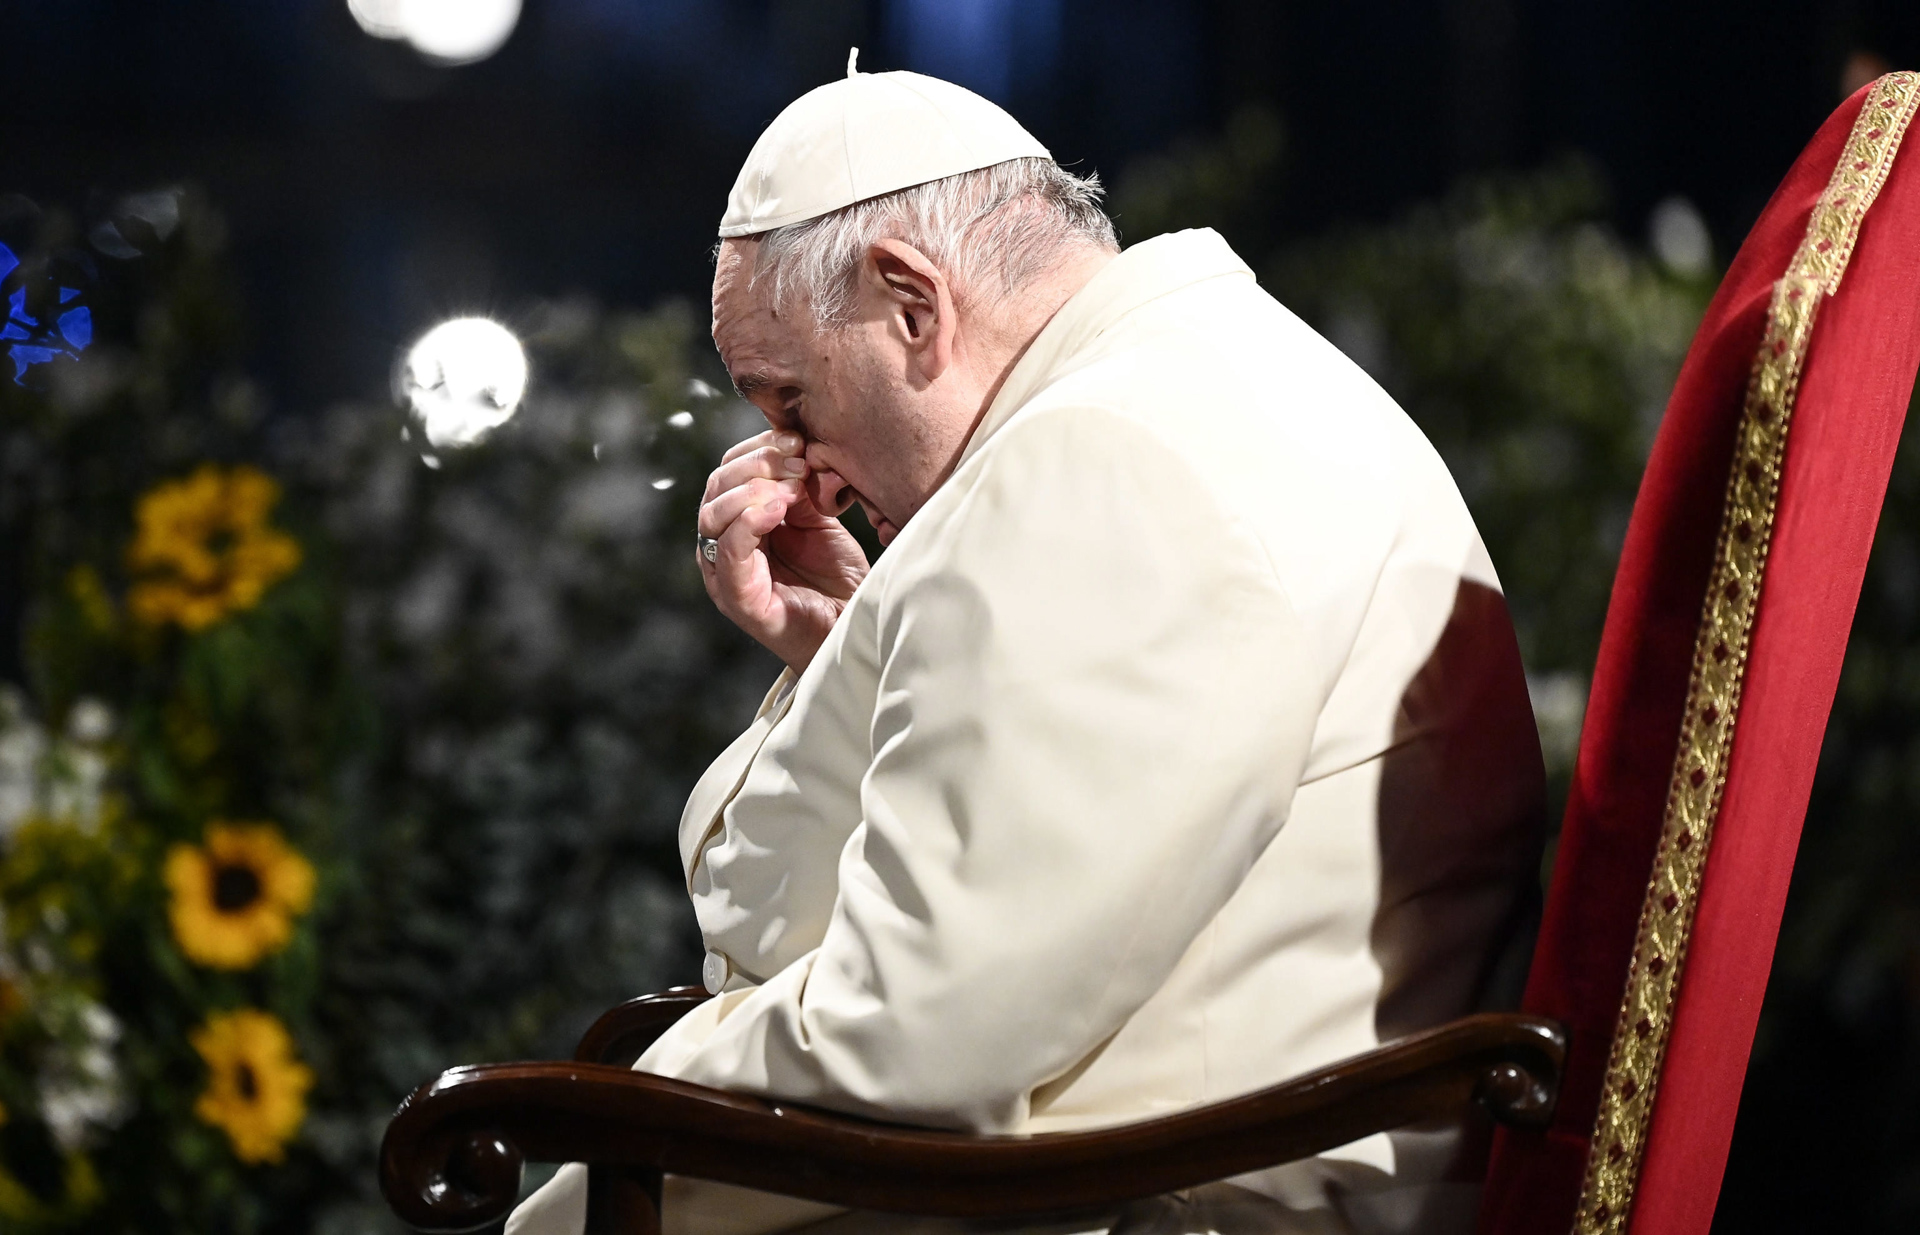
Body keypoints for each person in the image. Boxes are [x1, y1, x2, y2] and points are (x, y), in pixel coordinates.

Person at [509, 57, 1544, 1235]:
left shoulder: (1110, 462)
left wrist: (582, 1174)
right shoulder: (1200, 382)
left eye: (793, 403)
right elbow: (817, 939)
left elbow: (914, 1039)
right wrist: (852, 650)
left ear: (912, 303)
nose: (806, 473)